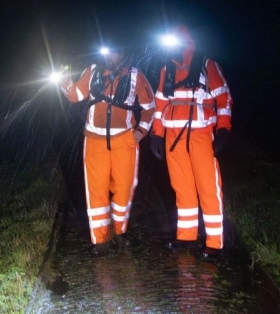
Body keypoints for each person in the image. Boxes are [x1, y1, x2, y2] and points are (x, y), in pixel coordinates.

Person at [58, 45, 156, 256]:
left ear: (124, 53)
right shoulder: (92, 70)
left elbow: (150, 107)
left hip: (125, 140)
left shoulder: (135, 75)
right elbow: (75, 95)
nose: (112, 56)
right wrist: (63, 78)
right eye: (108, 51)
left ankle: (120, 232)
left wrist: (140, 132)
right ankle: (101, 240)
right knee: (96, 189)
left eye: (117, 51)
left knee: (125, 186)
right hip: (94, 141)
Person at [150, 25, 232, 259]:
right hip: (173, 137)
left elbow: (223, 98)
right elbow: (160, 103)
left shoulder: (208, 65)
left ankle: (215, 243)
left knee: (208, 187)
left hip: (201, 134)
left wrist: (224, 129)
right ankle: (186, 236)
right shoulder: (167, 68)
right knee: (182, 187)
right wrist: (156, 133)